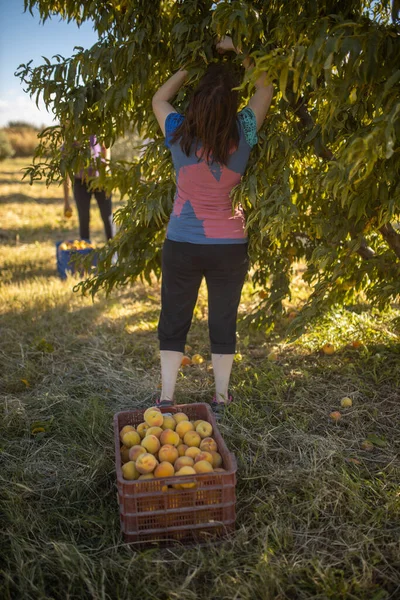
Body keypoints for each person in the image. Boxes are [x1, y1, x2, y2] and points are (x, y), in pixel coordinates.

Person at [152, 36, 273, 415]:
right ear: (232, 103)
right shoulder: (244, 131)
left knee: (174, 317)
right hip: (229, 246)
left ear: (196, 102)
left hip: (182, 244)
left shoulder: (178, 131)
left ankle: (167, 397)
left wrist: (194, 60)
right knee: (224, 318)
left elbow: (159, 98)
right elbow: (266, 84)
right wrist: (240, 50)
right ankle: (221, 399)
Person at [63, 134, 114, 241]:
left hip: (101, 180)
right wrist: (66, 201)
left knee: (108, 217)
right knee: (84, 218)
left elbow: (106, 147)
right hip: (80, 182)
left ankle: (113, 251)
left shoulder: (95, 130)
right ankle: (85, 252)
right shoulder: (70, 140)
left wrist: (107, 166)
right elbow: (65, 173)